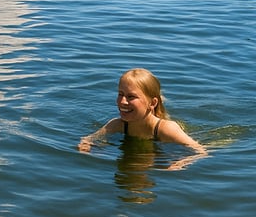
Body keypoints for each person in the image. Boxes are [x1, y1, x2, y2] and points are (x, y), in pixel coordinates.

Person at [78, 68, 206, 164]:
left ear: (152, 103)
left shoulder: (166, 129)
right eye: (120, 94)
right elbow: (89, 139)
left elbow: (201, 152)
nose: (122, 101)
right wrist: (86, 146)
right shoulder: (117, 124)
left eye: (131, 97)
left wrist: (179, 164)